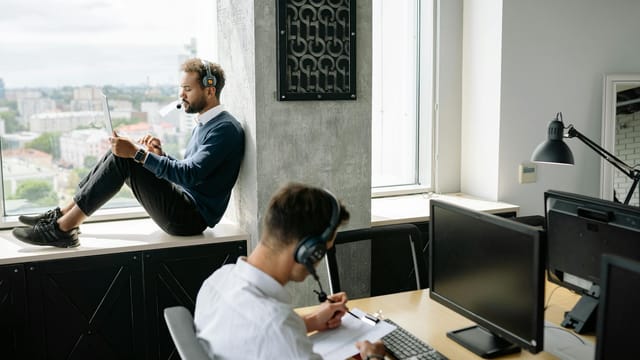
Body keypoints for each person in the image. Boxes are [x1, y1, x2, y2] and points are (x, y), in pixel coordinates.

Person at [12, 58, 245, 248]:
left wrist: (139, 154)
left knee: (126, 158)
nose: (181, 95)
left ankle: (63, 229)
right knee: (120, 152)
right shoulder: (207, 123)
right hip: (185, 205)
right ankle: (61, 215)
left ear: (210, 90)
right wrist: (160, 155)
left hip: (190, 219)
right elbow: (194, 172)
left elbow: (190, 175)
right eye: (180, 89)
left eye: (187, 89)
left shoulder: (224, 129)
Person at [193, 183, 386, 359]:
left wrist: (312, 320)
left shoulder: (217, 280)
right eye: (323, 252)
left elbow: (243, 333)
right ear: (308, 252)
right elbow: (274, 332)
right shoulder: (279, 331)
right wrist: (372, 357)